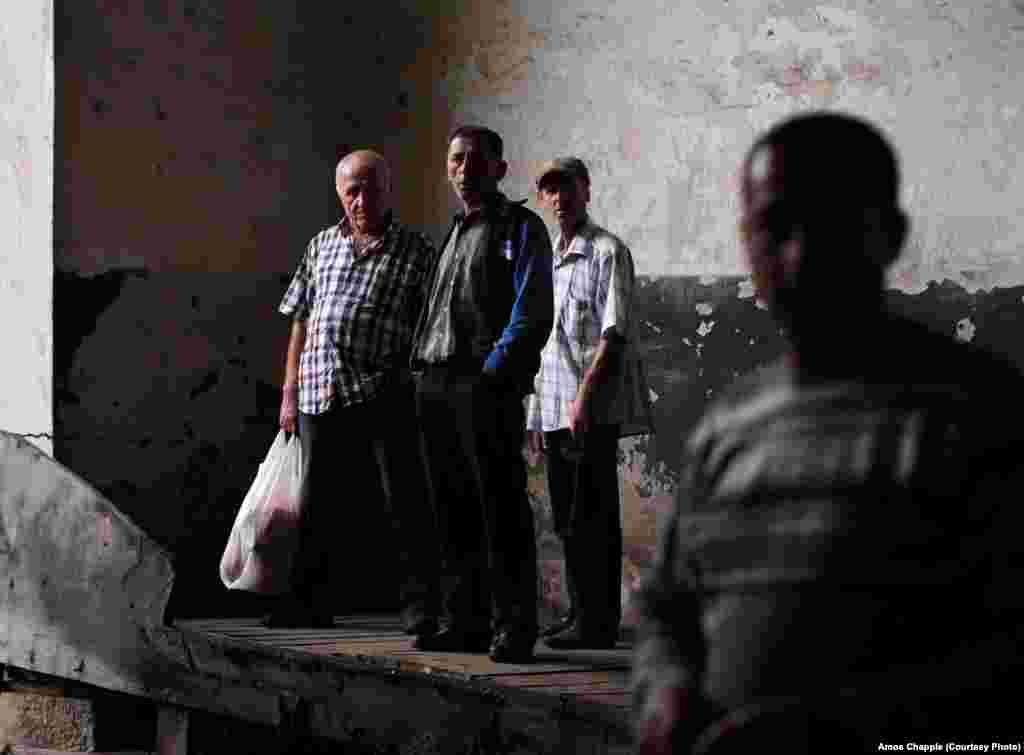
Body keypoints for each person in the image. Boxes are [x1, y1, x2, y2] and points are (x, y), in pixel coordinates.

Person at [632, 112, 1024, 752]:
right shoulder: (727, 427)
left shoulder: (976, 415)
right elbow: (665, 611)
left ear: (889, 236)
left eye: (832, 223)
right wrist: (666, 691)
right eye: (774, 228)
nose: (802, 254)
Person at [273, 150, 440, 634]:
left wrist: (409, 380)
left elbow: (429, 327)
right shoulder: (321, 245)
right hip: (319, 391)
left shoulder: (416, 250)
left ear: (388, 189)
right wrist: (289, 391)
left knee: (402, 499)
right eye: (351, 190)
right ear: (339, 194)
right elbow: (300, 320)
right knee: (317, 502)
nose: (360, 199)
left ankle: (420, 606)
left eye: (370, 188)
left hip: (382, 389)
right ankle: (308, 602)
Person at [410, 125, 554, 663]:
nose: (464, 170)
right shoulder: (452, 232)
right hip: (434, 383)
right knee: (451, 510)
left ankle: (514, 627)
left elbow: (532, 310)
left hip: (482, 384)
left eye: (475, 160)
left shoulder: (520, 227)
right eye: (454, 160)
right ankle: (464, 621)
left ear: (499, 168)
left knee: (500, 509)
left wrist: (494, 374)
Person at [526, 157, 653, 650]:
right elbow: (545, 345)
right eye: (550, 190)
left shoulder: (607, 252)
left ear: (586, 191)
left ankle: (598, 623)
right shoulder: (547, 260)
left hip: (588, 412)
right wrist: (537, 414)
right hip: (554, 409)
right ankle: (583, 615)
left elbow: (613, 334)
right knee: (566, 518)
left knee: (592, 516)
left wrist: (583, 400)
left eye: (568, 187)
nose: (559, 198)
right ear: (542, 198)